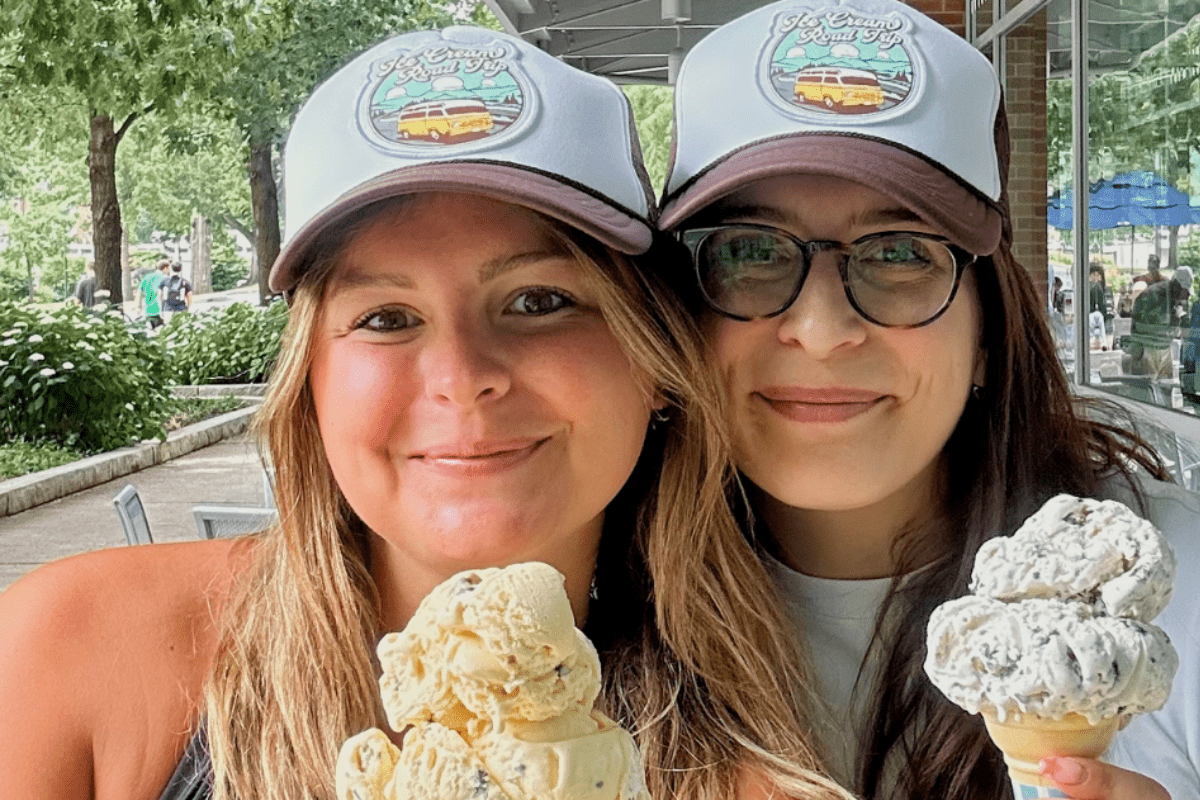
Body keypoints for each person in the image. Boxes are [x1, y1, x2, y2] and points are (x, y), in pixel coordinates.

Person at [0, 27, 851, 800]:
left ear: (654, 363)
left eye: (540, 300)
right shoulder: (71, 653)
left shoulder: (755, 781)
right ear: (312, 383)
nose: (461, 379)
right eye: (385, 319)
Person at [659, 1, 1199, 798]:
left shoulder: (1173, 583)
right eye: (750, 251)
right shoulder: (589, 619)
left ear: (987, 330)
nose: (820, 327)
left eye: (901, 252)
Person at [1128, 266, 1193, 378]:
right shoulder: (1153, 295)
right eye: (1184, 290)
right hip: (1146, 349)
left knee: (1166, 388)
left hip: (1164, 348)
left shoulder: (1175, 297)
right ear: (1175, 284)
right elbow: (1139, 325)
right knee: (1148, 387)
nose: (1186, 296)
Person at [140, 259, 170, 330]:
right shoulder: (165, 279)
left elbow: (140, 292)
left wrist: (139, 307)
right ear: (165, 268)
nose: (169, 270)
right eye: (169, 268)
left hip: (147, 311)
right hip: (158, 312)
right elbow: (160, 295)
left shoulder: (147, 277)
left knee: (153, 333)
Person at [1088, 262, 1109, 350]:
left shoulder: (1102, 288)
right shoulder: (1094, 287)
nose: (1096, 278)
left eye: (1098, 275)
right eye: (1094, 275)